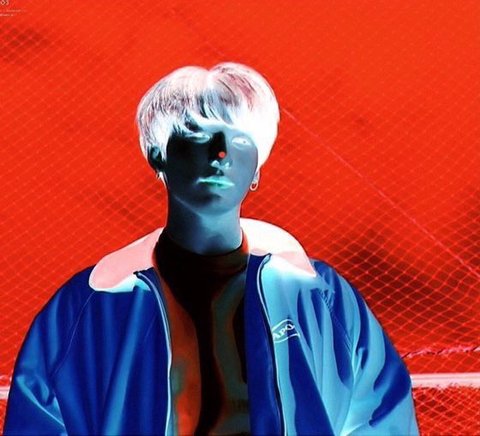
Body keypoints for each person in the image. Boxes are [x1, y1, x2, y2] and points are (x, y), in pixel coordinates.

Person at [4, 63, 419, 435]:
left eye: (241, 141)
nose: (220, 154)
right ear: (157, 154)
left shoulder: (318, 296)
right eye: (198, 134)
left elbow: (381, 418)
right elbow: (39, 421)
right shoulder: (89, 304)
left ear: (257, 169)